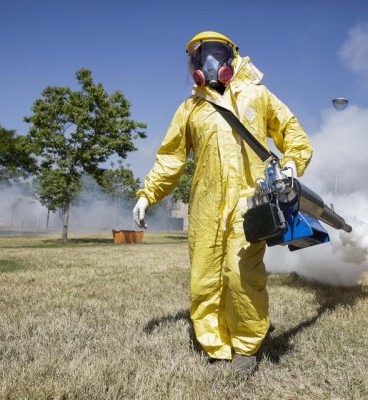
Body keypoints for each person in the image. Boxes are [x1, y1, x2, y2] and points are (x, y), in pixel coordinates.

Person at [133, 31, 312, 374]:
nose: (211, 62)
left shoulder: (256, 95)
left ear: (233, 57)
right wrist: (147, 194)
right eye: (202, 56)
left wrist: (292, 160)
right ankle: (216, 346)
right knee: (205, 278)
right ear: (193, 65)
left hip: (250, 202)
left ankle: (246, 347)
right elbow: (171, 158)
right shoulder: (190, 109)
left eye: (217, 53)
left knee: (241, 275)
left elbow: (291, 129)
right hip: (205, 206)